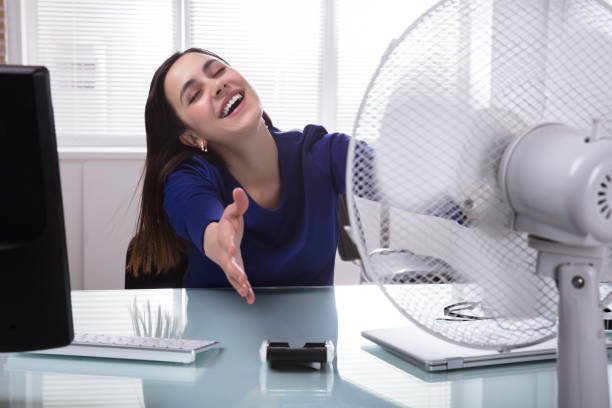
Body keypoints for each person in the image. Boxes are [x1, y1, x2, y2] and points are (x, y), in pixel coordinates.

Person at [128, 48, 351, 304]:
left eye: (218, 71)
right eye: (195, 94)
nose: (217, 85)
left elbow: (392, 174)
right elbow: (195, 210)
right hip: (217, 342)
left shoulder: (324, 152)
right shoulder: (188, 177)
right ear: (192, 137)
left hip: (312, 342)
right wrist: (219, 242)